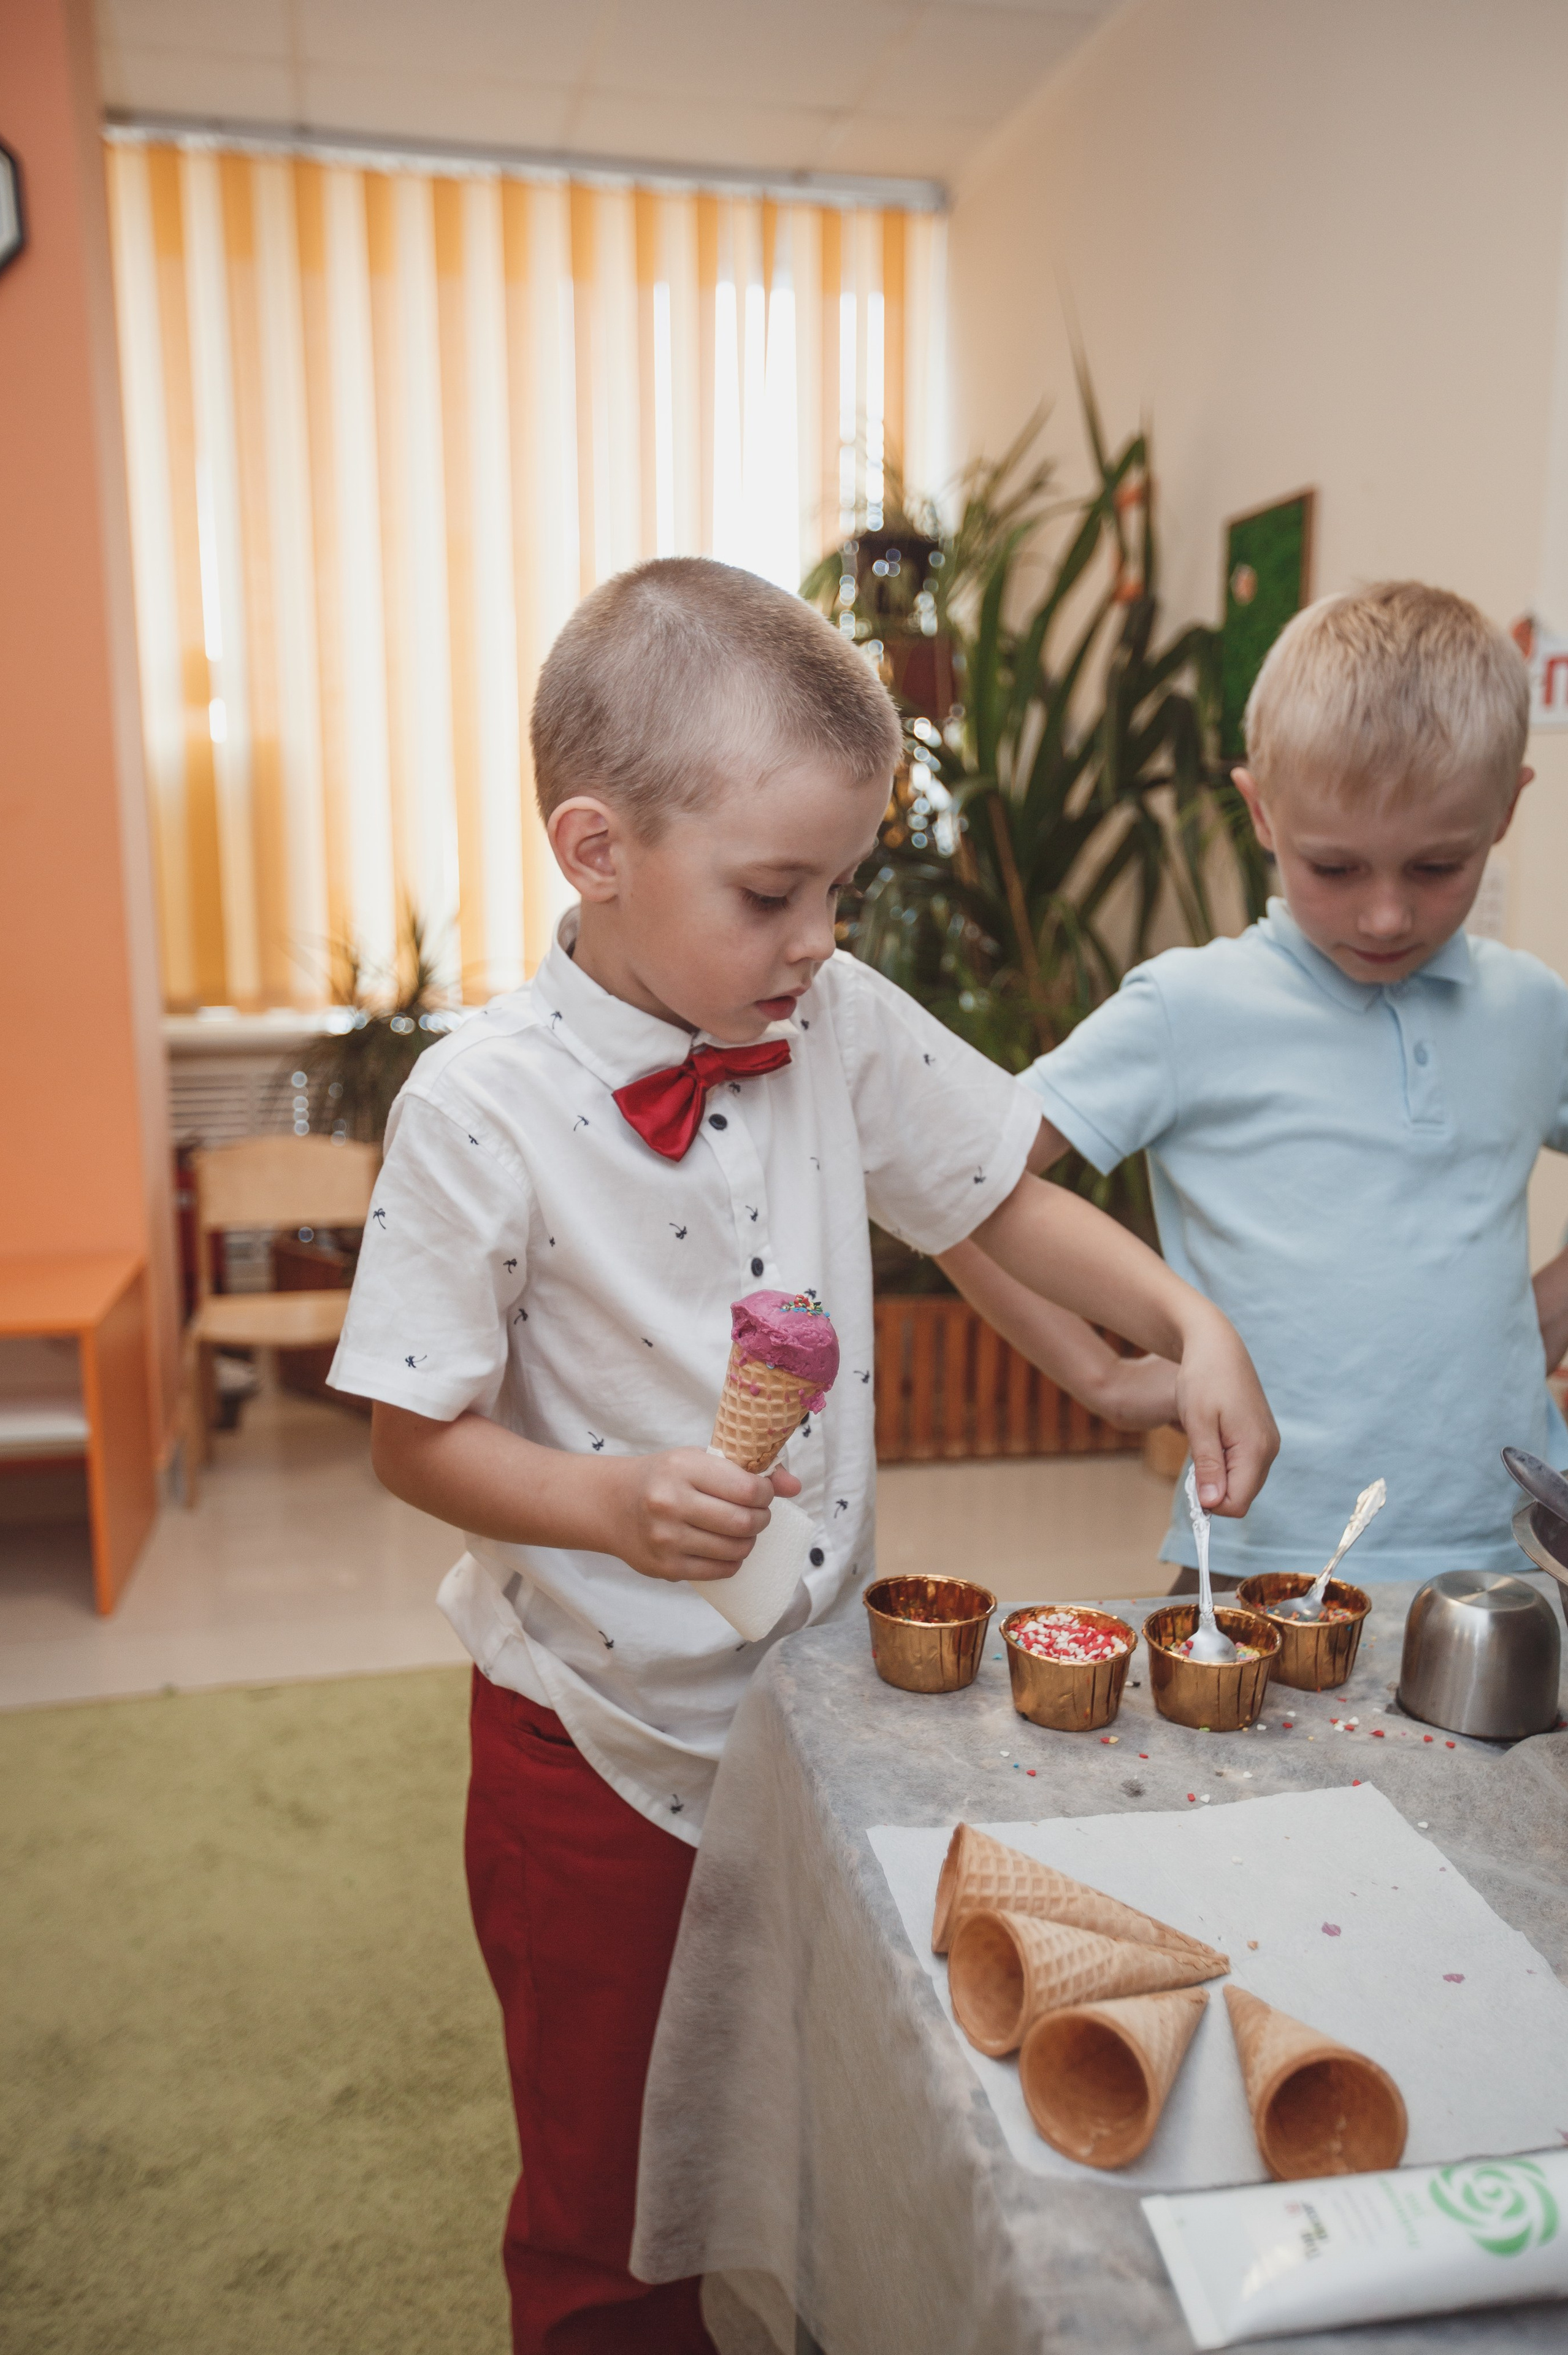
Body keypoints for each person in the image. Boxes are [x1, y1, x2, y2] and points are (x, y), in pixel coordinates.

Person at [328, 557, 1277, 2355]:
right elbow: (411, 1439)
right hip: (590, 1743)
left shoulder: (826, 1021)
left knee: (817, 2092)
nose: (820, 937)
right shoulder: (478, 1105)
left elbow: (997, 1181)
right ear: (595, 851)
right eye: (775, 893)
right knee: (615, 2181)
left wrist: (1186, 1321)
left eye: (841, 887)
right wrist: (607, 1500)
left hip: (826, 1707)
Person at [943, 580, 1568, 1587]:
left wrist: (1541, 1316)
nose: (1384, 918)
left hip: (1507, 1559)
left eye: (1436, 868)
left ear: (1506, 812)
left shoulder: (1535, 1010)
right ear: (1261, 811)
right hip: (1253, 1562)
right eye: (1336, 868)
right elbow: (954, 1178)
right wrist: (1098, 1374)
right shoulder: (1191, 1008)